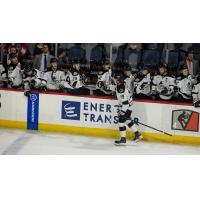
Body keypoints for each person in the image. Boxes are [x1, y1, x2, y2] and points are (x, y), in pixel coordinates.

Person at [111, 73, 142, 145]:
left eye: (115, 79)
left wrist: (122, 112)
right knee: (127, 121)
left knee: (121, 121)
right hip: (130, 106)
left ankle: (123, 139)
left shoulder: (120, 89)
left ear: (118, 81)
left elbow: (125, 103)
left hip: (127, 107)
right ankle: (137, 134)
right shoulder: (120, 85)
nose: (114, 79)